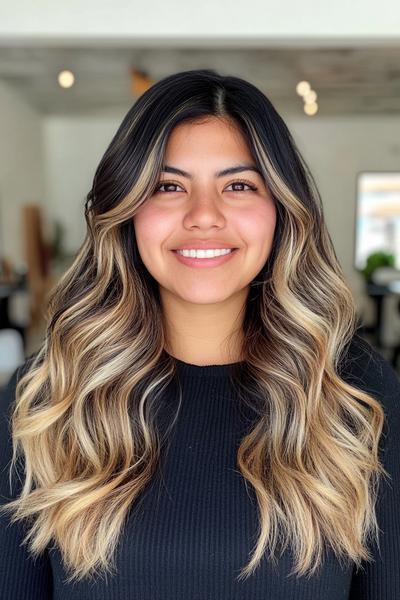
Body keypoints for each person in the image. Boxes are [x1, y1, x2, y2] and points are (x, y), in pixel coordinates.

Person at [1, 69, 399, 600]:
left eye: (238, 185)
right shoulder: (50, 395)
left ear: (282, 210)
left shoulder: (353, 390)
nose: (204, 216)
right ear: (126, 211)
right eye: (168, 187)